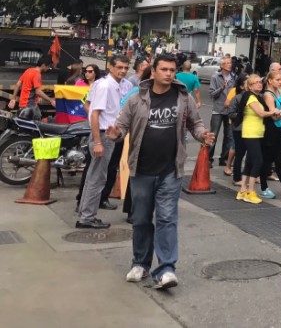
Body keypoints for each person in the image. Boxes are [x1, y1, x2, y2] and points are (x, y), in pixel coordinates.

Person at [106, 55, 215, 290]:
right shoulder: (137, 99)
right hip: (141, 169)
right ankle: (140, 263)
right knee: (141, 220)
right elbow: (121, 127)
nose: (168, 74)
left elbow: (195, 124)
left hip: (170, 170)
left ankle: (166, 268)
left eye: (172, 70)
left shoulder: (182, 98)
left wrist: (202, 135)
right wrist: (115, 134)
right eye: (163, 69)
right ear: (153, 72)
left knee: (167, 218)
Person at [76, 56, 130, 230]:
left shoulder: (105, 84)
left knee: (94, 176)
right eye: (119, 67)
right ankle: (86, 217)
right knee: (97, 178)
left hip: (105, 135)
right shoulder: (106, 86)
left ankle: (85, 214)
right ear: (111, 67)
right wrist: (98, 142)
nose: (122, 71)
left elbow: (89, 105)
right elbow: (94, 114)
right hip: (103, 136)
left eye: (125, 68)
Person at [236, 74, 281, 203]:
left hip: (256, 133)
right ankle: (250, 191)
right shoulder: (250, 97)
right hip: (251, 133)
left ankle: (243, 191)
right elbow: (260, 113)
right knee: (258, 162)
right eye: (256, 82)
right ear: (249, 86)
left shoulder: (256, 97)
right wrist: (274, 111)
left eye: (260, 82)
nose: (259, 84)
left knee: (250, 163)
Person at [207, 57, 235, 167]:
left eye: (230, 63)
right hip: (218, 110)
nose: (229, 65)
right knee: (214, 135)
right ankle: (209, 159)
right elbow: (211, 94)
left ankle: (224, 158)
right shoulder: (215, 77)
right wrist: (222, 88)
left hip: (229, 111)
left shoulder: (234, 77)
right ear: (222, 66)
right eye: (226, 63)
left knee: (229, 135)